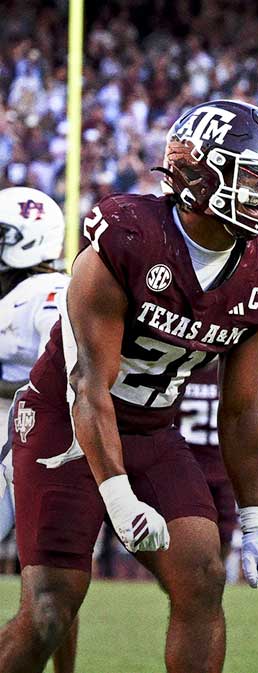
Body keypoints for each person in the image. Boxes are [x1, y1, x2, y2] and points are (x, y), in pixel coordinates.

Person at [0, 99, 258, 673]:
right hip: (65, 420)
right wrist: (118, 497)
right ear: (197, 176)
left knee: (202, 578)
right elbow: (87, 382)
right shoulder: (129, 237)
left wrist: (252, 518)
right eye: (255, 180)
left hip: (152, 426)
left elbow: (242, 409)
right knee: (52, 606)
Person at [0, 187, 77, 672]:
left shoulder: (45, 292)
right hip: (33, 447)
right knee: (56, 587)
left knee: (52, 588)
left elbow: (67, 356)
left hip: (32, 446)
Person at [175, 363, 238, 563]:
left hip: (223, 468)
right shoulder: (181, 369)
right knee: (186, 532)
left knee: (225, 532)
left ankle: (215, 576)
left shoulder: (230, 372)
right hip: (186, 469)